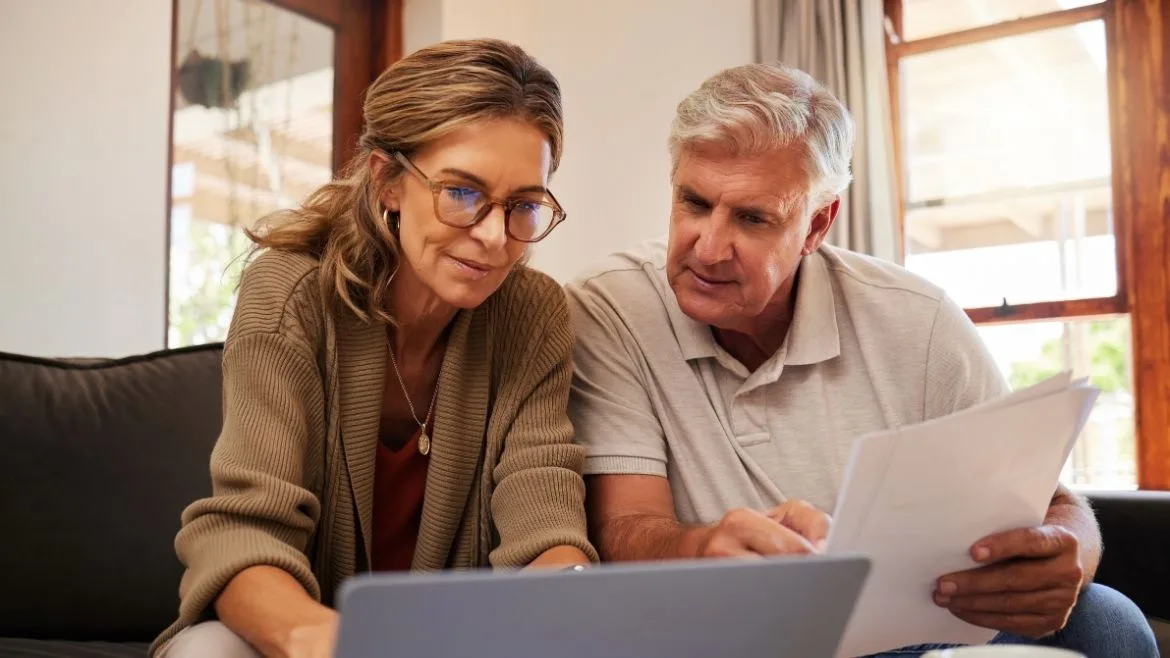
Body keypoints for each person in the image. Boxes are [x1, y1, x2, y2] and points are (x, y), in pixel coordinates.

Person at [566, 62, 1157, 657]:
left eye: (752, 218)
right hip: (730, 630)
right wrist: (704, 551)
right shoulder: (611, 307)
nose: (710, 247)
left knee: (1108, 621)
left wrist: (1071, 554)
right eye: (694, 203)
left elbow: (1054, 501)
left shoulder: (916, 318)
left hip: (912, 628)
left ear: (818, 224)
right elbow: (623, 527)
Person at [152, 38, 596, 658]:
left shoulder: (532, 314)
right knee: (210, 652)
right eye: (463, 193)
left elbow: (544, 522)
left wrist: (574, 599)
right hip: (300, 639)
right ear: (387, 180)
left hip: (459, 646)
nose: (496, 238)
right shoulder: (290, 293)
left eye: (523, 205)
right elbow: (244, 534)